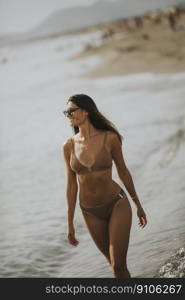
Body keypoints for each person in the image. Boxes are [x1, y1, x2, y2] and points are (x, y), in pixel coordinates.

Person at [62, 94, 147, 278]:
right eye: (65, 112)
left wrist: (137, 204)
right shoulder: (68, 146)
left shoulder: (110, 138)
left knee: (118, 266)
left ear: (85, 112)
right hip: (90, 212)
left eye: (71, 111)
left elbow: (123, 172)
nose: (68, 115)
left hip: (116, 204)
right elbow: (71, 186)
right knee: (113, 265)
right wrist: (69, 223)